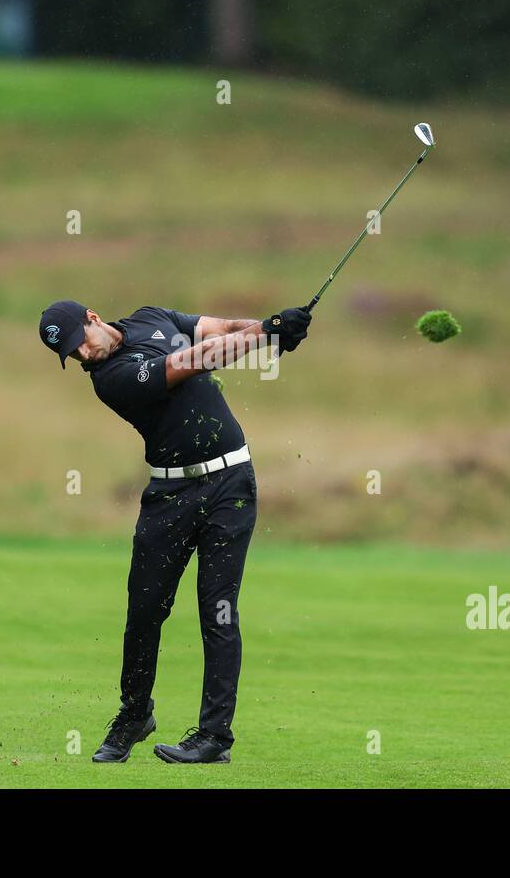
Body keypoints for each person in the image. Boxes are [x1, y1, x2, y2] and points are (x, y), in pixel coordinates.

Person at [38, 299, 312, 763]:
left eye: (78, 342)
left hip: (232, 485)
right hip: (170, 497)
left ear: (93, 319)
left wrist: (274, 331)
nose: (82, 356)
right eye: (71, 355)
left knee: (219, 610)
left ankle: (213, 738)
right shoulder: (111, 380)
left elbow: (220, 328)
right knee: (145, 611)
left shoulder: (152, 317)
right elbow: (192, 360)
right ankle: (134, 714)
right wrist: (265, 333)